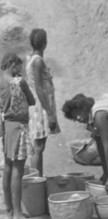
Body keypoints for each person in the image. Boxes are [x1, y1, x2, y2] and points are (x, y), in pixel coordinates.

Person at [0, 53, 35, 219]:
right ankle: (17, 215)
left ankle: (9, 210)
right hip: (19, 126)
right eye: (18, 67)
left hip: (6, 126)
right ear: (13, 64)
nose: (19, 71)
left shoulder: (0, 81)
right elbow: (32, 100)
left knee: (7, 167)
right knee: (18, 169)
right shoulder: (18, 82)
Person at [26, 28, 60, 176]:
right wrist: (50, 113)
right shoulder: (38, 61)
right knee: (38, 147)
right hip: (41, 108)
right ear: (44, 43)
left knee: (39, 147)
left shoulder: (32, 60)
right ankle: (36, 179)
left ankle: (37, 177)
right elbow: (39, 89)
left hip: (38, 107)